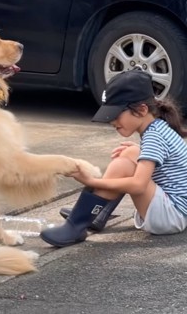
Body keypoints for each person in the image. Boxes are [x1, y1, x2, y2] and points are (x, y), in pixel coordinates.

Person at [40, 68, 187, 247]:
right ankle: (97, 214)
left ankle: (76, 225)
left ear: (141, 110)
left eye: (116, 115)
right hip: (175, 210)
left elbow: (138, 185)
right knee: (129, 153)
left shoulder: (154, 137)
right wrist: (137, 151)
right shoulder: (158, 127)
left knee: (124, 166)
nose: (112, 122)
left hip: (171, 217)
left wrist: (93, 182)